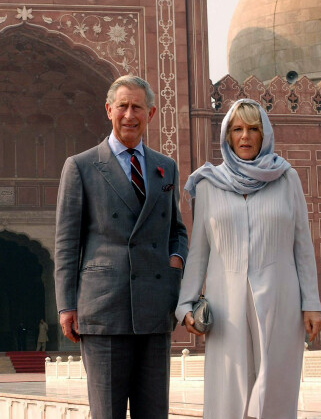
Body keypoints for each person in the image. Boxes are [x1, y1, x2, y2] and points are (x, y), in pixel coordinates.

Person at [176, 99, 321, 419]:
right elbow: (199, 251)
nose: (245, 136)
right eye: (238, 129)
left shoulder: (286, 179)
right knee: (229, 392)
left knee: (275, 387)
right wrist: (185, 305)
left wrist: (311, 302)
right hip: (225, 303)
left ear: (264, 134)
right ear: (227, 137)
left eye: (253, 129)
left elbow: (302, 245)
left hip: (280, 297)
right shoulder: (209, 183)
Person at [55, 74, 188, 419]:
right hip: (104, 308)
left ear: (151, 113)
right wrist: (66, 305)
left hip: (154, 305)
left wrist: (174, 264)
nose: (130, 115)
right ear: (109, 110)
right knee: (107, 412)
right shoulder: (82, 166)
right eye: (123, 106)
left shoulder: (165, 167)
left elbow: (177, 231)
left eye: (138, 107)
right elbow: (68, 242)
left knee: (154, 411)